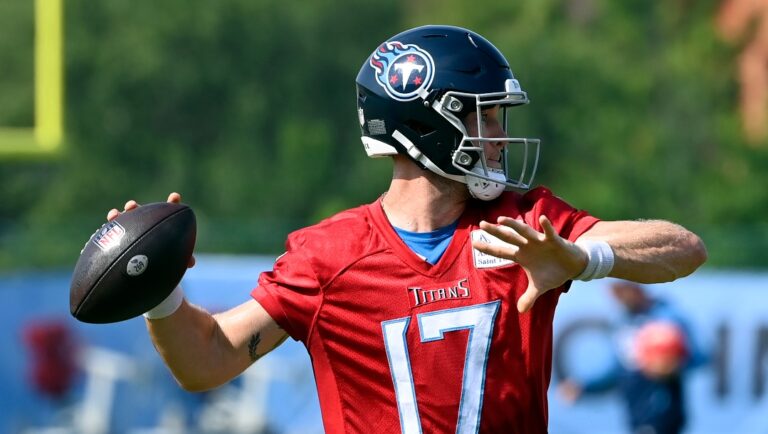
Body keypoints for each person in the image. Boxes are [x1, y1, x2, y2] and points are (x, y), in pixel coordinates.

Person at [108, 25, 707, 433]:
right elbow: (206, 360)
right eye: (486, 116)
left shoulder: (525, 224)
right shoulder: (329, 256)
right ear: (429, 125)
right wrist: (158, 290)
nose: (500, 136)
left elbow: (683, 249)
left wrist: (581, 258)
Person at [558, 281, 705, 434]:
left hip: (663, 408)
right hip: (636, 411)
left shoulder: (669, 316)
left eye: (620, 291)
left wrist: (674, 365)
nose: (618, 298)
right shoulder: (623, 322)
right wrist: (584, 386)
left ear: (635, 287)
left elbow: (700, 356)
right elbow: (618, 368)